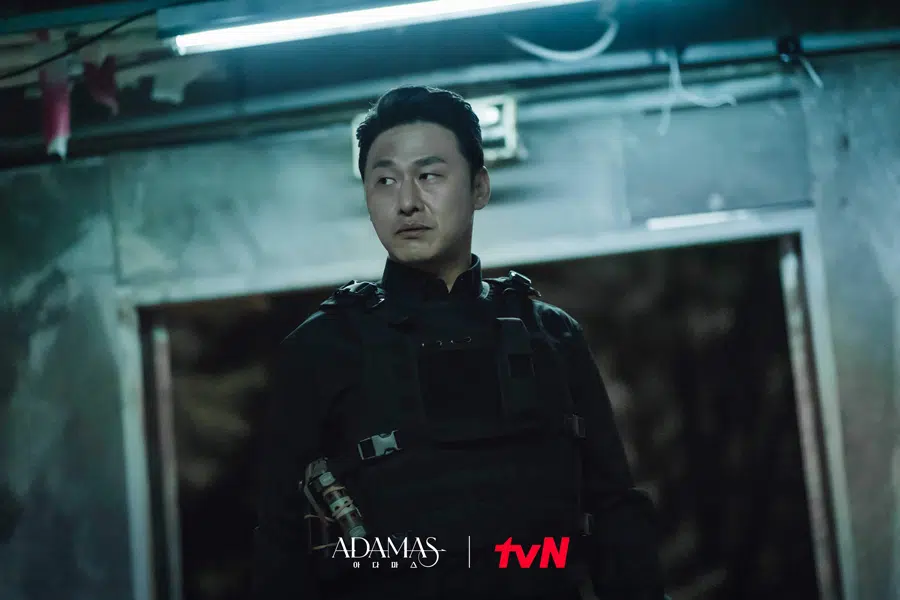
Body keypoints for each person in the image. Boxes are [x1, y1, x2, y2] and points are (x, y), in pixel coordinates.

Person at [253, 85, 665, 600]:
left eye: (429, 176)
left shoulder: (552, 335)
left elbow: (614, 514)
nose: (407, 202)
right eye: (385, 180)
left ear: (479, 188)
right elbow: (280, 543)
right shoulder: (321, 348)